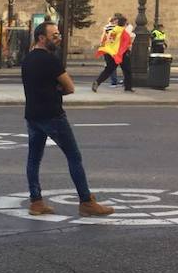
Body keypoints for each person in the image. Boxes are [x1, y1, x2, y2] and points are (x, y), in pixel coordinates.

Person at [22, 22, 114, 217]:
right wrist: (57, 90)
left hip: (33, 116)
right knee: (74, 156)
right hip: (53, 116)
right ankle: (86, 201)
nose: (59, 37)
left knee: (33, 159)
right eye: (54, 35)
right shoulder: (51, 60)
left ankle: (36, 202)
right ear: (41, 38)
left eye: (58, 34)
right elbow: (70, 87)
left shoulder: (28, 59)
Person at [93, 16, 133, 92]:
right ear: (125, 23)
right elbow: (127, 44)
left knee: (108, 70)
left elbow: (109, 41)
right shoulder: (124, 32)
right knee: (127, 70)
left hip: (110, 53)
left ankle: (97, 82)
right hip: (120, 54)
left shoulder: (113, 31)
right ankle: (128, 87)